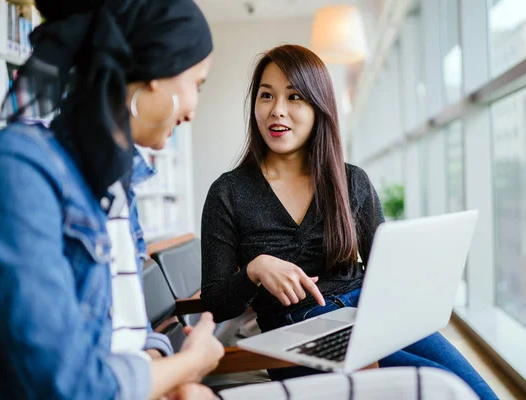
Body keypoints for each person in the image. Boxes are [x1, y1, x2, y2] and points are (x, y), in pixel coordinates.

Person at [200, 44, 498, 399]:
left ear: (318, 108)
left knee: (478, 390)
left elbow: (384, 270)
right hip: (296, 331)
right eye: (267, 96)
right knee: (439, 385)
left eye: (294, 97)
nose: (277, 110)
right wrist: (255, 269)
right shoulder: (228, 192)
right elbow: (217, 302)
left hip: (369, 313)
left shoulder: (351, 181)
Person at [0, 1, 223, 399]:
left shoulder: (113, 182)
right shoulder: (17, 167)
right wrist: (189, 364)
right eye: (196, 85)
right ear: (155, 75)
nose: (193, 110)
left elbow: (130, 332)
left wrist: (168, 380)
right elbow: (69, 385)